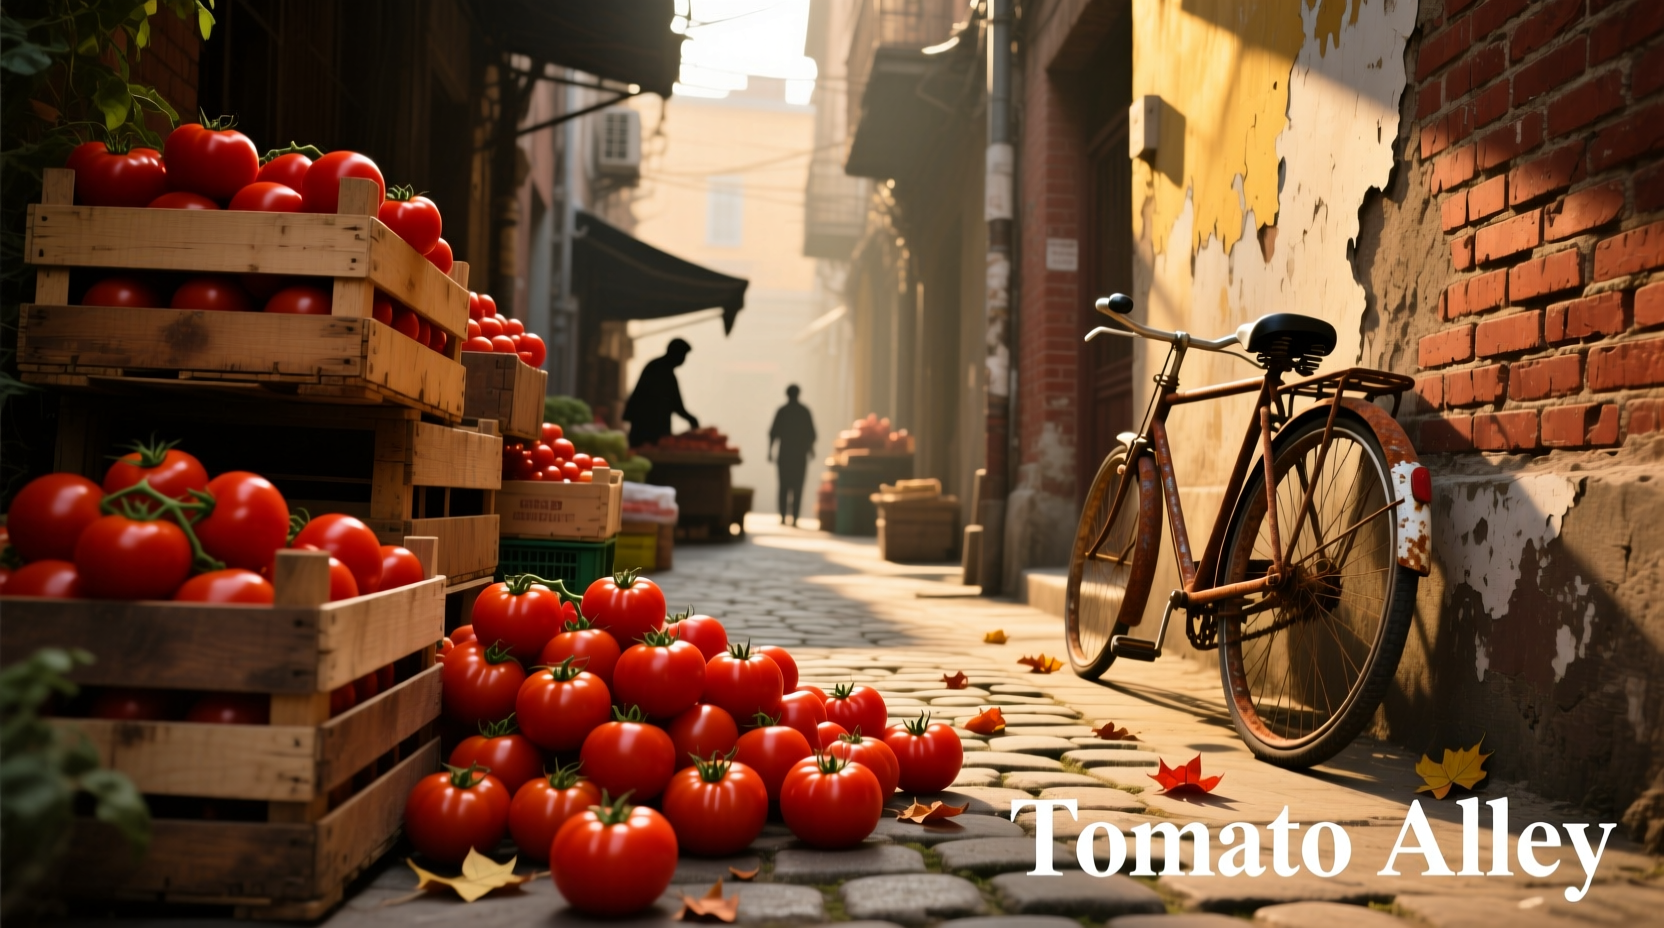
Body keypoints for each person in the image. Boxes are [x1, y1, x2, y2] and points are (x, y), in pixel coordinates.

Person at [624, 338, 698, 448]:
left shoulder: (659, 368)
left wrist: (690, 418)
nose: (683, 359)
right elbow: (675, 404)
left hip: (649, 431)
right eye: (683, 355)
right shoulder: (661, 371)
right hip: (647, 432)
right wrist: (691, 419)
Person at [768, 384, 817, 526]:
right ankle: (794, 517)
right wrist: (811, 449)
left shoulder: (782, 411)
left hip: (785, 454)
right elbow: (811, 435)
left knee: (784, 486)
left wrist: (770, 452)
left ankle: (784, 516)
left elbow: (773, 433)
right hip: (799, 455)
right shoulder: (804, 411)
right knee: (797, 487)